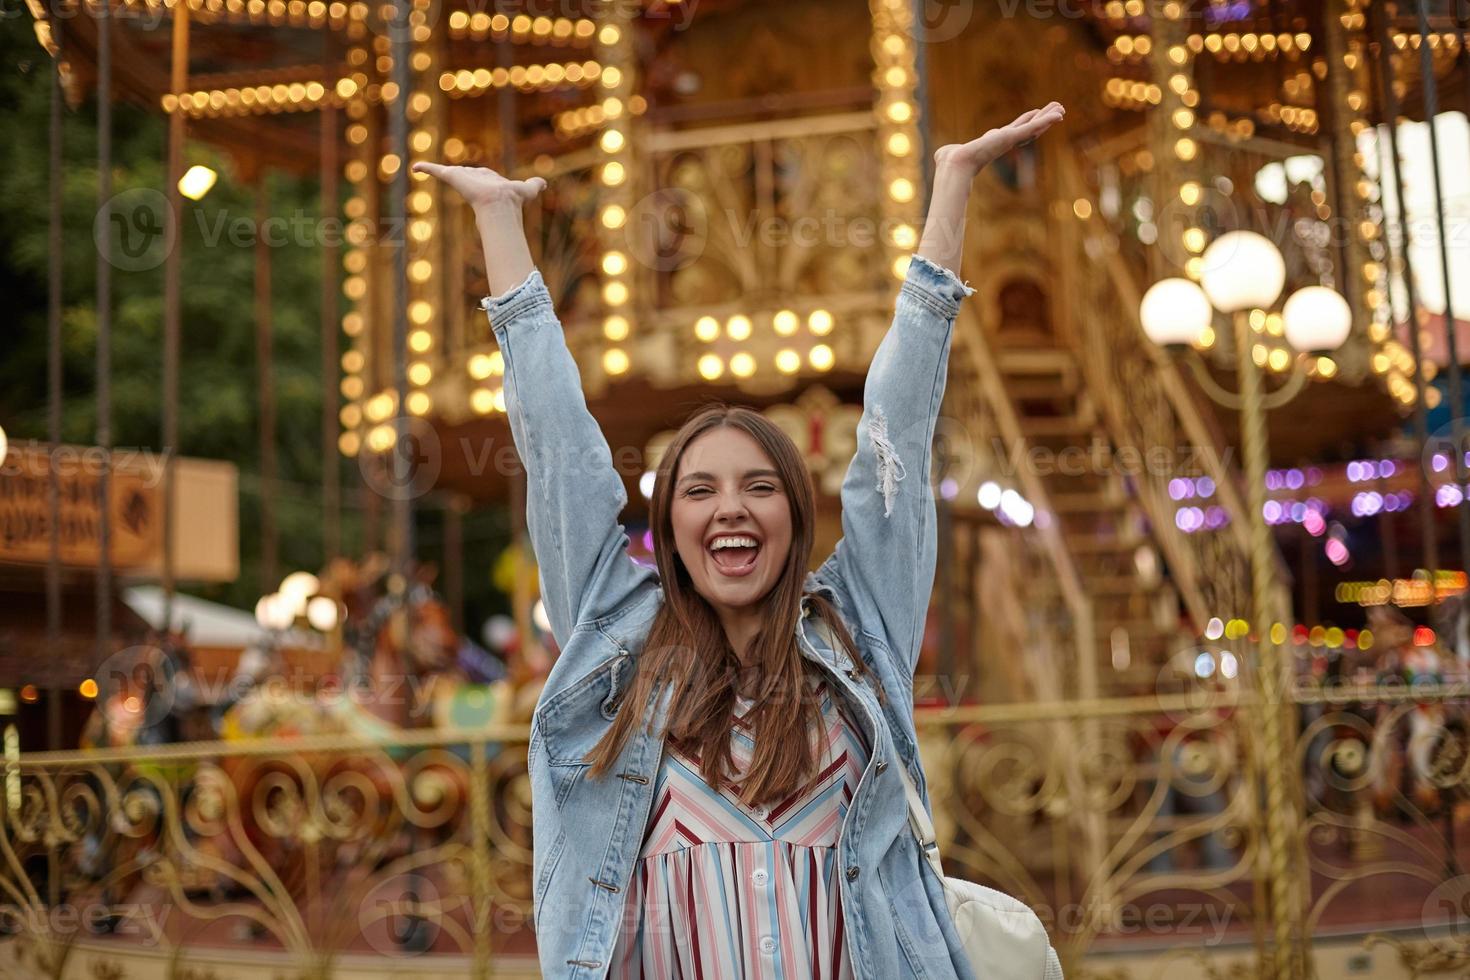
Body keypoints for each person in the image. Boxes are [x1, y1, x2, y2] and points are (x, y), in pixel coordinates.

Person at [413, 100, 1066, 980]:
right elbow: (559, 452)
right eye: (700, 489)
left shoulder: (857, 632)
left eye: (761, 487)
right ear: (669, 526)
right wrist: (502, 229)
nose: (731, 509)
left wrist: (949, 195)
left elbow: (896, 441)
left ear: (797, 518)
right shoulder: (620, 647)